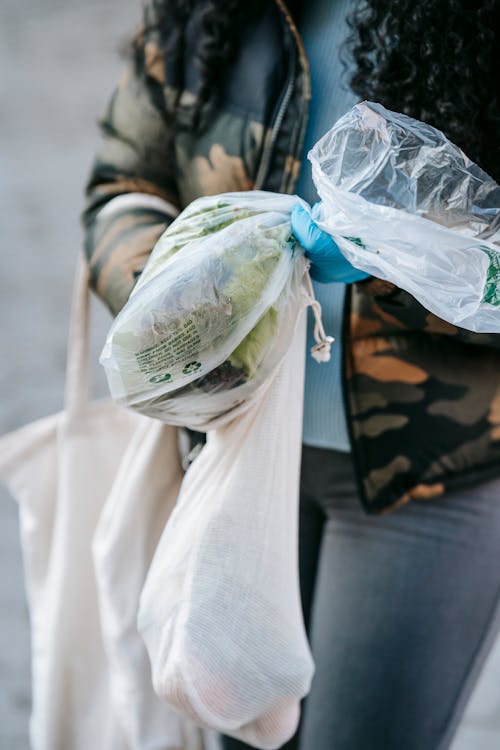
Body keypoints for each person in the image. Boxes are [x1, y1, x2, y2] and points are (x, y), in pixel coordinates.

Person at [82, 1, 500, 748]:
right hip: (235, 454)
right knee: (236, 731)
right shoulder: (206, 11)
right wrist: (197, 299)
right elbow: (122, 183)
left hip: (427, 479)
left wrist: (390, 263)